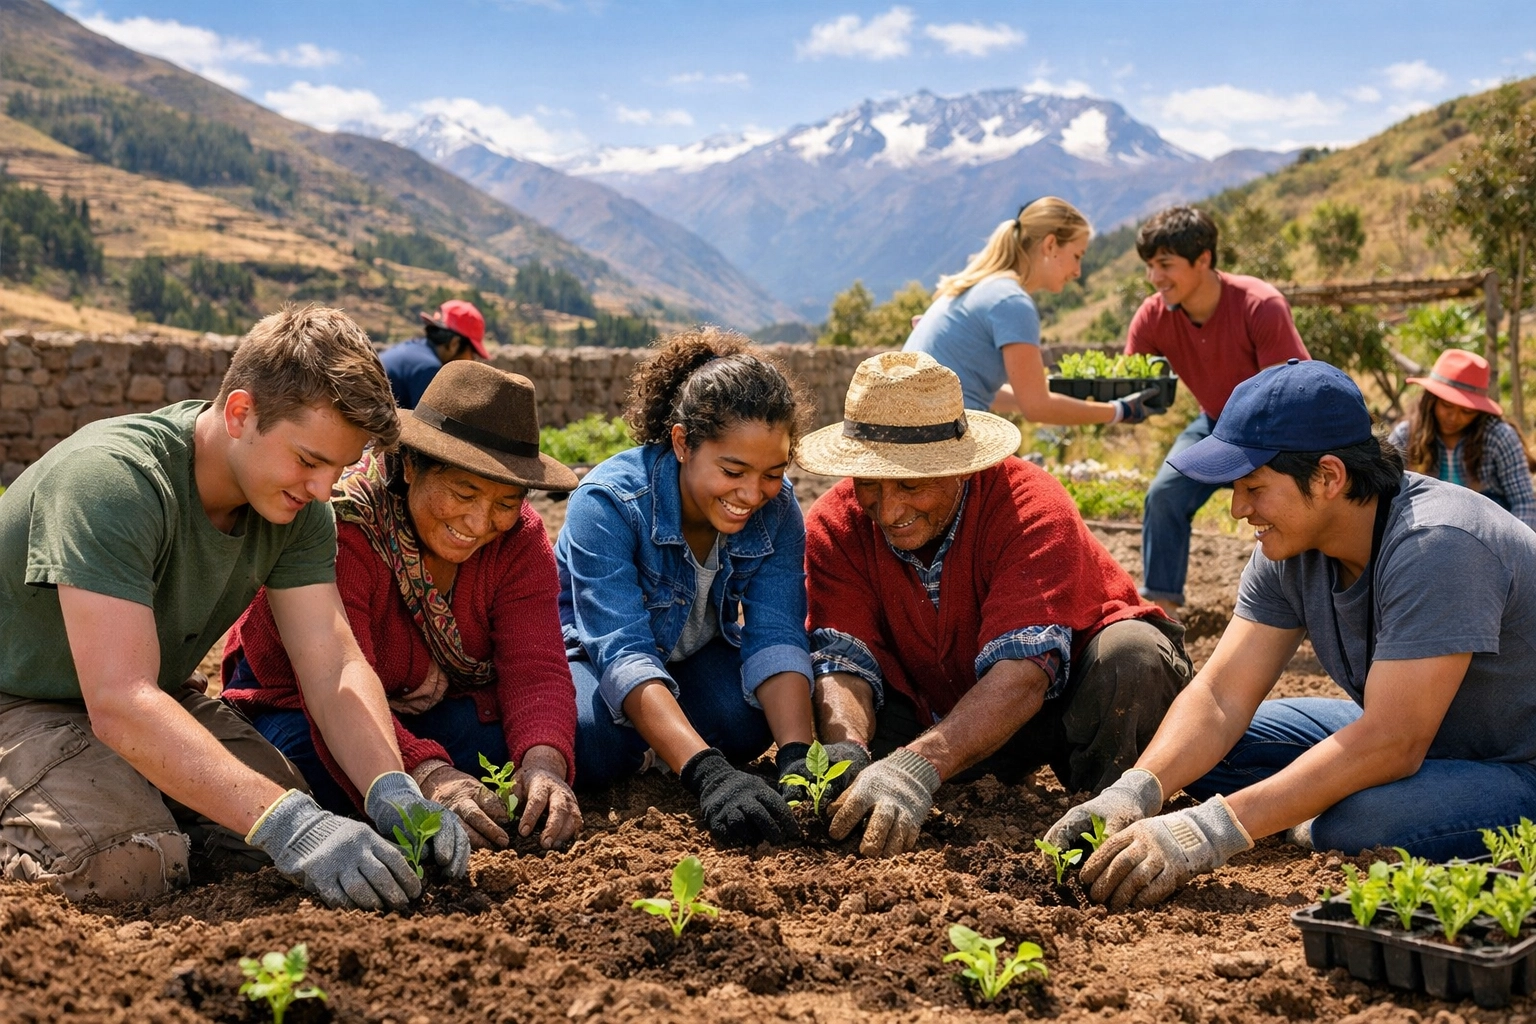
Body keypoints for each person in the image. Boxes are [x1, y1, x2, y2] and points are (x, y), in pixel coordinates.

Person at [0, 305, 470, 910]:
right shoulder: (113, 483)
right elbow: (119, 700)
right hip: (20, 699)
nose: (324, 489)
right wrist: (287, 824)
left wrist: (391, 785)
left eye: (341, 468)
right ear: (241, 412)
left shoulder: (298, 508)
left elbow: (332, 665)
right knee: (123, 868)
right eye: (308, 460)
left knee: (272, 854)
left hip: (154, 694)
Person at [1048, 359, 1536, 912]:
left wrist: (1213, 830)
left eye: (1254, 486)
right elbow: (1220, 695)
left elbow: (1395, 741)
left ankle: (1312, 815)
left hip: (1514, 760)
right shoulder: (1288, 549)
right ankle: (1303, 804)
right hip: (1417, 729)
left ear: (1329, 477)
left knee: (1355, 824)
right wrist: (1135, 790)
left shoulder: (1438, 544)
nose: (1237, 509)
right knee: (1208, 756)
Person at [798, 351, 1192, 858]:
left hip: (1052, 705)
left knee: (1132, 657)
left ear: (959, 469)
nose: (889, 509)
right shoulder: (835, 524)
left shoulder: (1030, 506)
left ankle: (1107, 825)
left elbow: (1023, 675)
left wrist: (917, 766)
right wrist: (847, 752)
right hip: (932, 704)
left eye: (911, 485)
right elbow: (843, 661)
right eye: (870, 484)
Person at [222, 361, 584, 851]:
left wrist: (544, 763)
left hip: (433, 708)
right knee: (305, 769)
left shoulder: (520, 540)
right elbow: (335, 682)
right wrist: (429, 775)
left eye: (505, 502)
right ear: (411, 466)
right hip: (307, 706)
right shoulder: (344, 528)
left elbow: (535, 665)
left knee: (586, 738)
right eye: (464, 492)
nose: (479, 522)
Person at [557, 327, 835, 847]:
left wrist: (798, 762)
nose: (752, 494)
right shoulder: (608, 504)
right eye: (733, 470)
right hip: (594, 662)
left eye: (773, 473)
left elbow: (776, 632)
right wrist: (709, 772)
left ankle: (653, 745)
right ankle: (672, 747)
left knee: (755, 716)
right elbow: (622, 652)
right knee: (586, 736)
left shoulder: (776, 509)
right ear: (683, 443)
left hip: (693, 660)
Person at [1125, 206, 1310, 617]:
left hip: (1276, 432)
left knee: (1300, 509)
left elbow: (1291, 394)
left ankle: (1312, 604)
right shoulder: (1154, 315)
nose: (1155, 277)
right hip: (1215, 425)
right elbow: (1130, 380)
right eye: (1150, 266)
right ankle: (1164, 611)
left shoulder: (1260, 306)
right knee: (1164, 495)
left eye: (1165, 265)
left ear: (1203, 259)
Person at [905, 198, 1166, 428]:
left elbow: (988, 392)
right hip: (944, 435)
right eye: (1077, 255)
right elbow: (1037, 408)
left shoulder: (976, 287)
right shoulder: (1012, 302)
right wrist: (1120, 411)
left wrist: (1054, 399)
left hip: (911, 429)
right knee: (1038, 485)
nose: (1078, 271)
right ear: (1051, 245)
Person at [1387, 348, 1536, 531]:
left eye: (1467, 411)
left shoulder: (1499, 438)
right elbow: (1386, 500)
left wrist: (1513, 550)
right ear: (1431, 400)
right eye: (1446, 405)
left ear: (1479, 411)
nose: (1454, 418)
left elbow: (1524, 503)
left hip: (1491, 540)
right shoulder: (1405, 437)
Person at [381, 299, 488, 409]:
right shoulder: (428, 368)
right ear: (454, 344)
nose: (472, 360)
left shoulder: (413, 351)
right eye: (473, 354)